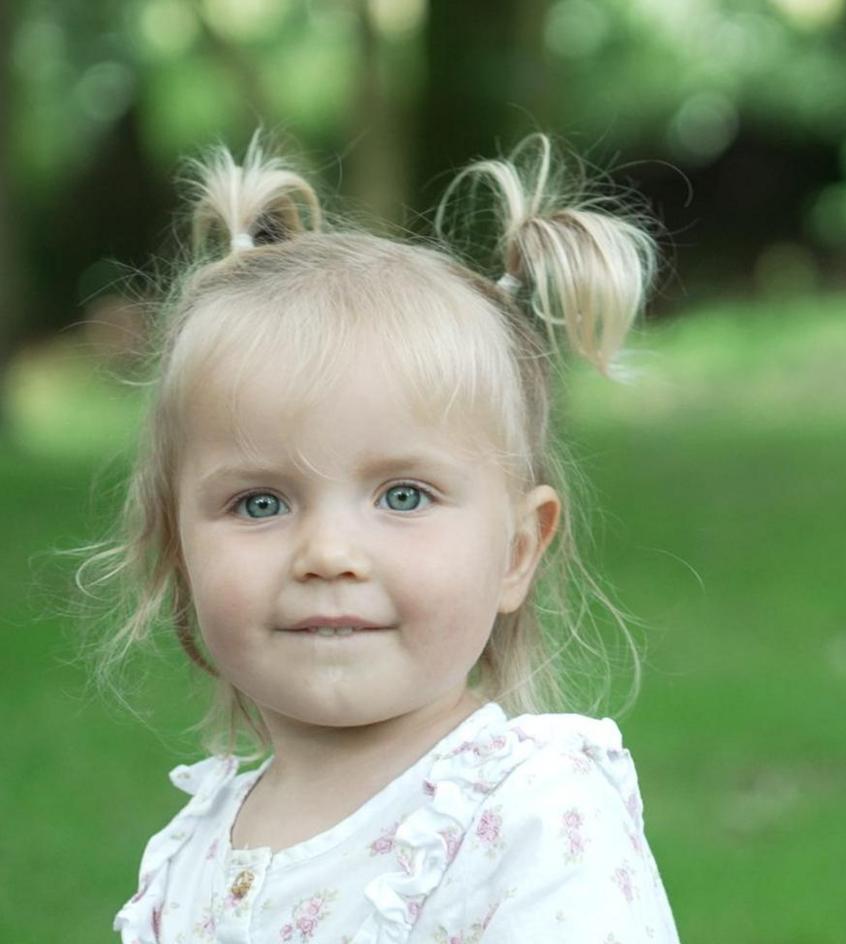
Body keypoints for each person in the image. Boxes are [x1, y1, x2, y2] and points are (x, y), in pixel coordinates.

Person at [87, 135, 681, 942]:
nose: (328, 554)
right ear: (175, 550)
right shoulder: (193, 848)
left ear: (516, 553)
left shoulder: (530, 813)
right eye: (260, 504)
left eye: (403, 495)